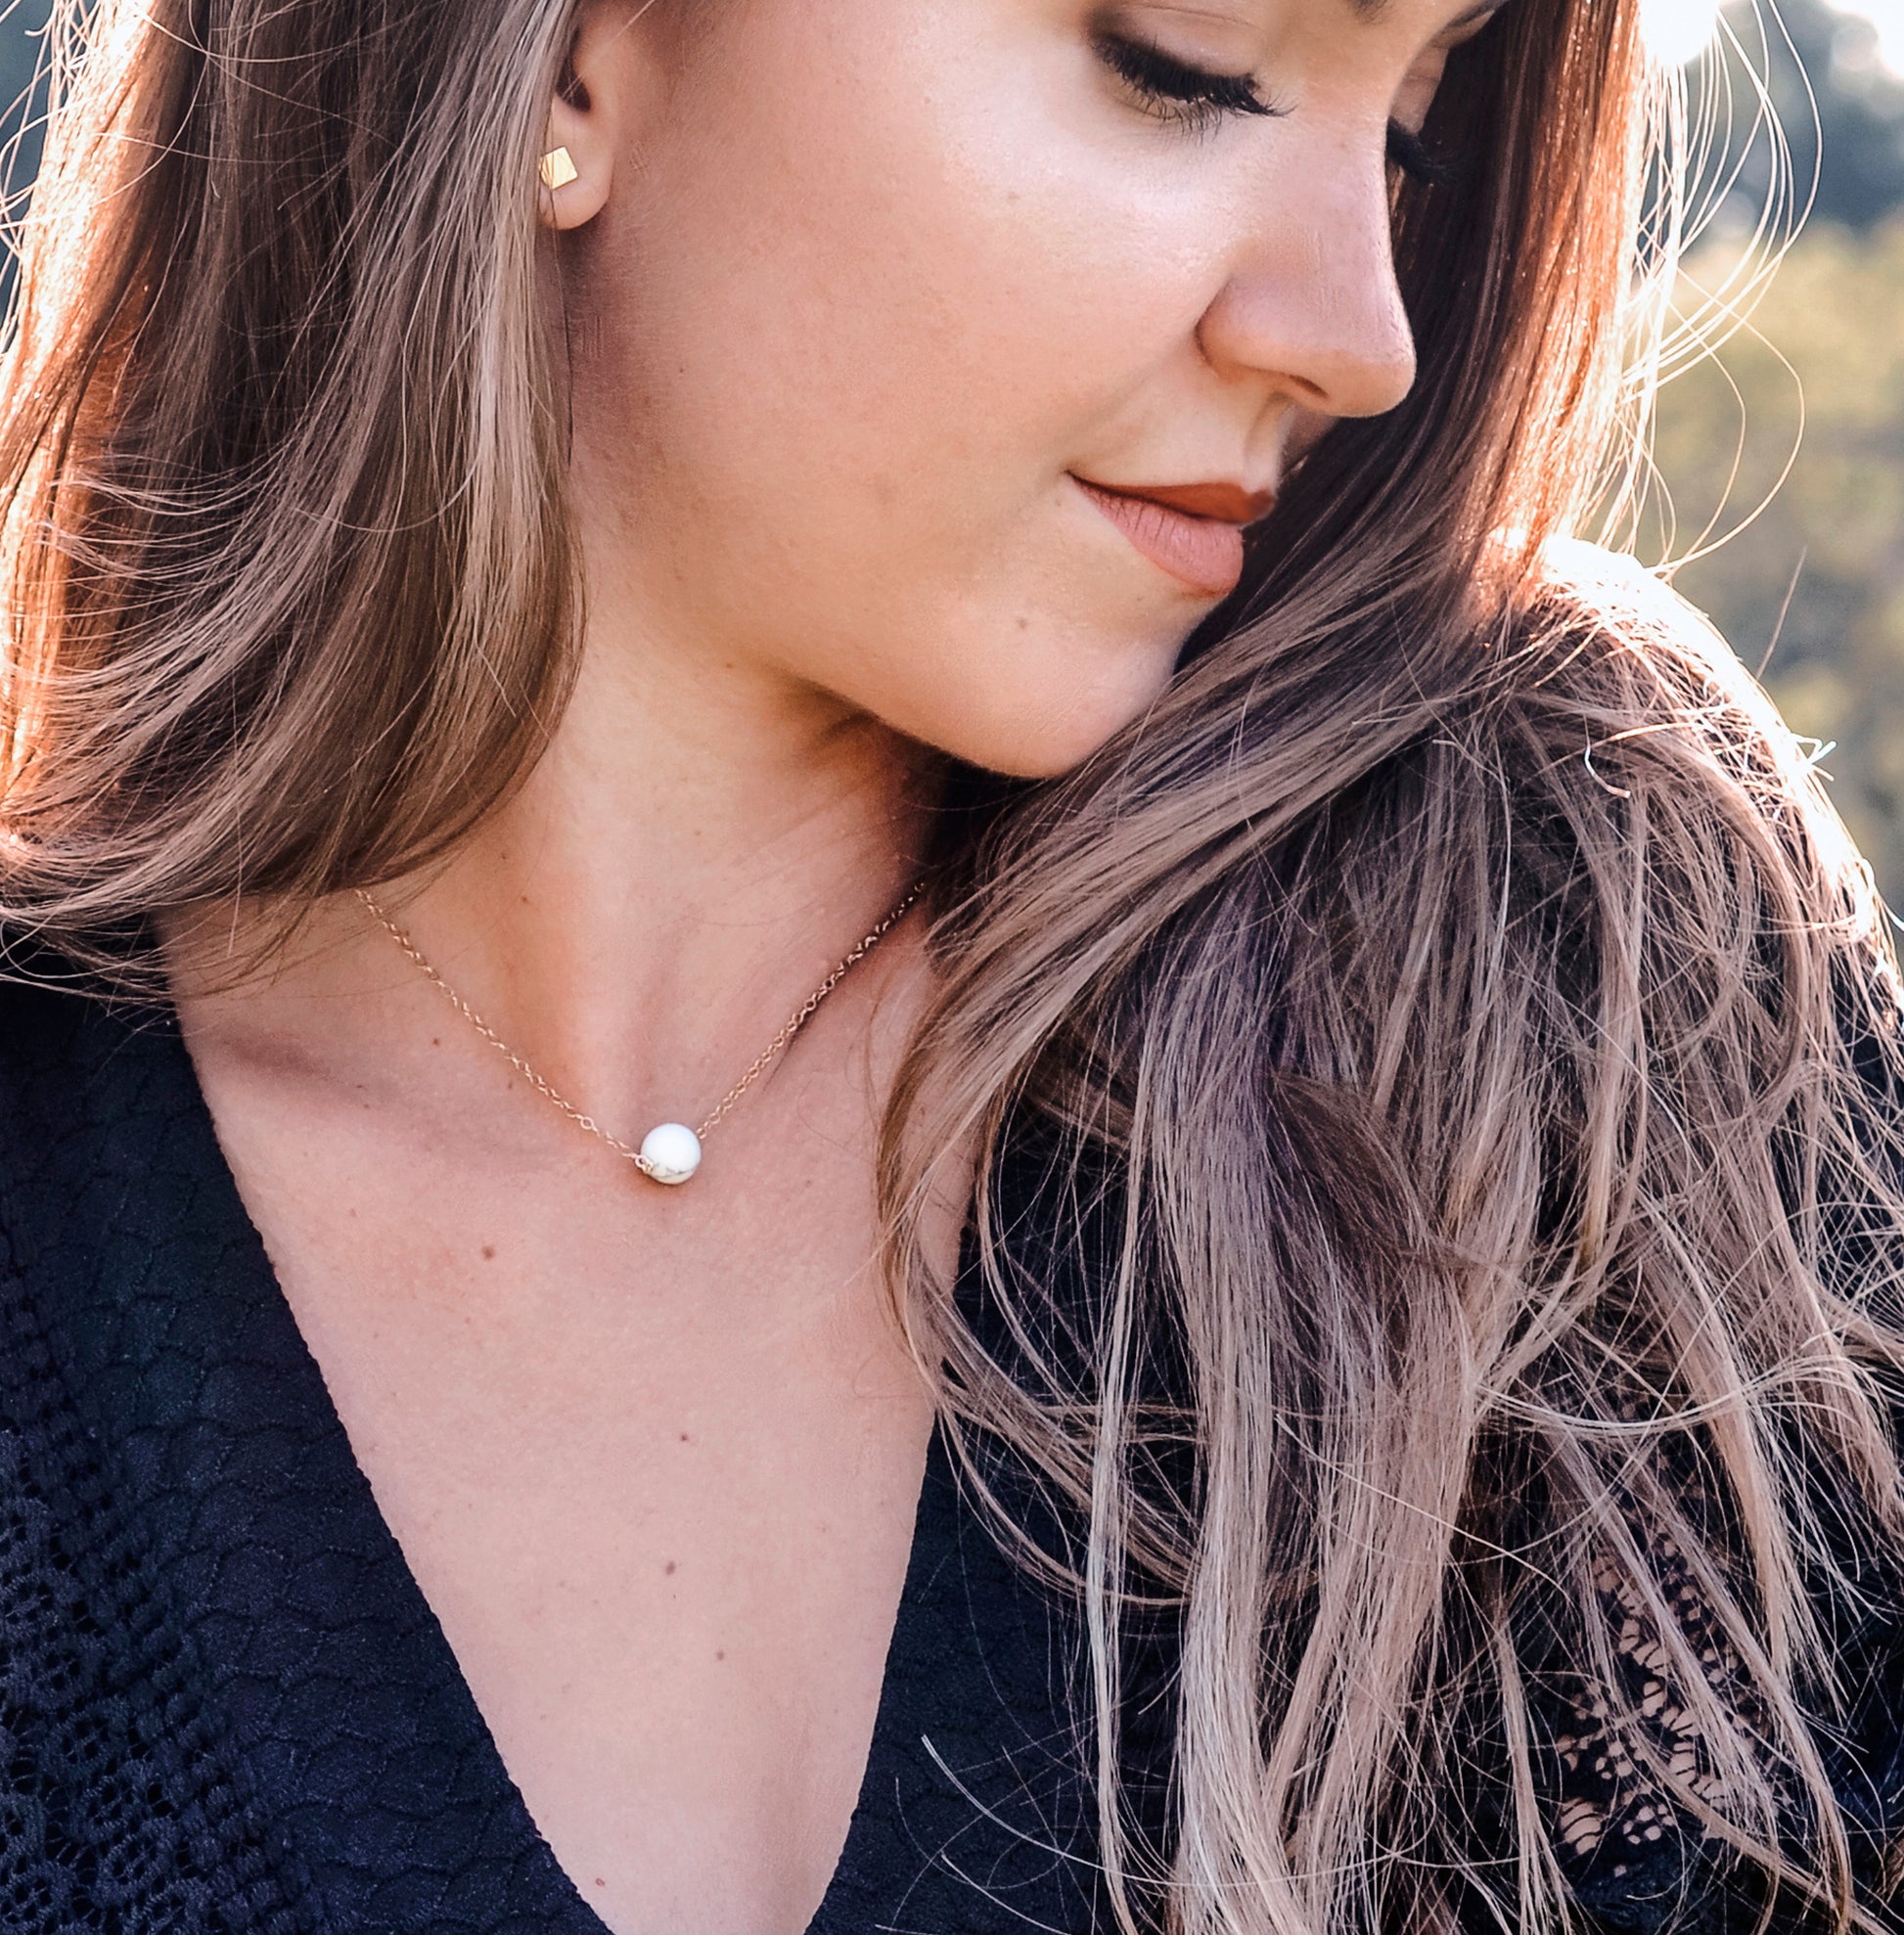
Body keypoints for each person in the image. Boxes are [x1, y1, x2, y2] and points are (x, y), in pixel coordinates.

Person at [0, 0, 1901, 1929]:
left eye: (1410, 134)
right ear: (570, 55)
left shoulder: (1579, 970)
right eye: (1189, 66)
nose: (1358, 332)